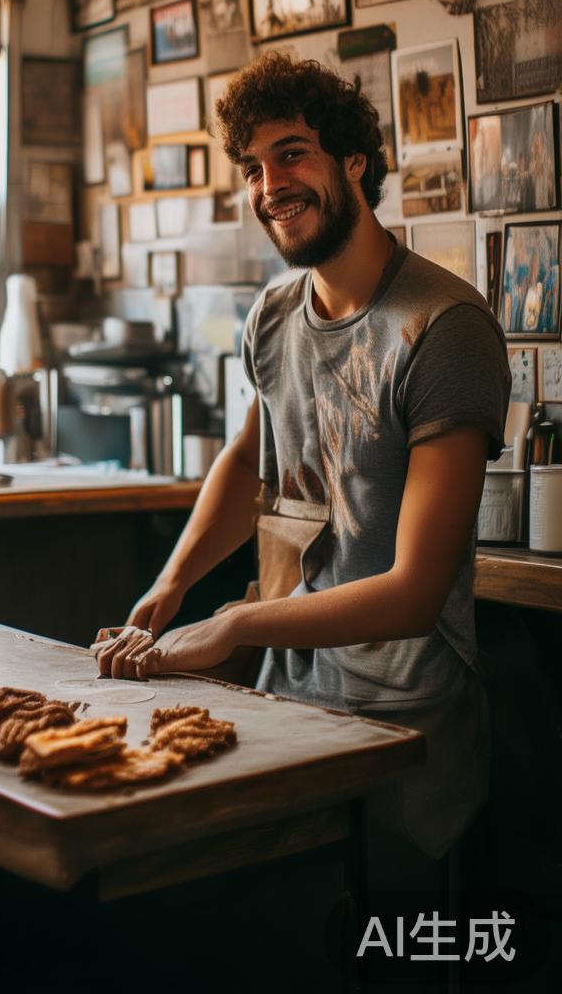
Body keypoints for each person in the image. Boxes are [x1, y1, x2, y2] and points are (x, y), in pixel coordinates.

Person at [95, 51, 510, 872]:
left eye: (292, 152)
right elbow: (249, 460)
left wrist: (232, 622)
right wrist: (172, 586)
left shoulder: (444, 329)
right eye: (253, 167)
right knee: (295, 932)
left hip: (405, 715)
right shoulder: (275, 314)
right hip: (291, 698)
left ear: (353, 161)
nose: (269, 185)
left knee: (395, 952)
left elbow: (415, 594)